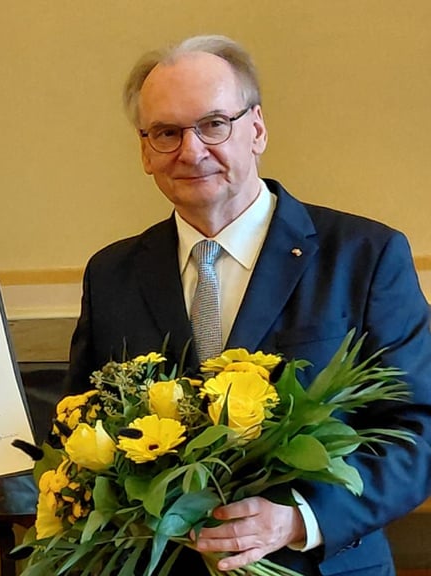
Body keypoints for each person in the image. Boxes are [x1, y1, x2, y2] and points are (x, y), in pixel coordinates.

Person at [64, 35, 431, 575]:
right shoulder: (111, 274)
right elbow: (81, 429)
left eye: (214, 124)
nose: (191, 151)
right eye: (166, 132)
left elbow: (418, 429)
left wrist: (299, 518)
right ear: (145, 150)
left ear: (256, 128)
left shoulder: (364, 256)